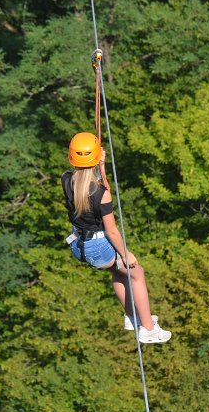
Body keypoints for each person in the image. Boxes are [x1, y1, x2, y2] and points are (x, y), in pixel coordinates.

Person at [61, 132, 171, 344]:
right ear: (95, 157)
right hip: (99, 247)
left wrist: (101, 167)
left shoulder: (66, 180)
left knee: (118, 271)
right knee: (137, 273)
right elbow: (111, 230)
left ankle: (132, 317)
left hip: (79, 244)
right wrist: (126, 254)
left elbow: (98, 190)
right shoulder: (100, 193)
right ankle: (148, 329)